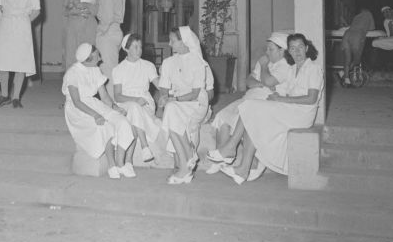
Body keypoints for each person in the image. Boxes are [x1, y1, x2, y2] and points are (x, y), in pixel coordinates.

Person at [216, 33, 324, 185]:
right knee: (253, 114)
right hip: (289, 109)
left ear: (306, 48)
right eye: (293, 48)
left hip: (302, 114)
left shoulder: (313, 69)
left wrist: (281, 99)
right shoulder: (293, 69)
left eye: (300, 47)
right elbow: (287, 91)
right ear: (289, 51)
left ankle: (231, 148)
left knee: (251, 107)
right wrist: (276, 94)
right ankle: (243, 169)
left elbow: (311, 98)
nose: (297, 52)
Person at [206, 32, 291, 175]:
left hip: (265, 102)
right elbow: (249, 81)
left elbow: (268, 81)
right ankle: (221, 160)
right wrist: (261, 83)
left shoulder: (286, 65)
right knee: (223, 115)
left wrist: (264, 67)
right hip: (249, 97)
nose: (267, 52)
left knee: (246, 118)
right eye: (267, 48)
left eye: (271, 49)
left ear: (282, 50)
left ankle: (251, 163)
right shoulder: (264, 60)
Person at [62, 43, 134, 179]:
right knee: (105, 126)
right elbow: (76, 101)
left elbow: (104, 96)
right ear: (87, 60)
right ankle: (112, 165)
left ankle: (120, 163)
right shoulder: (72, 73)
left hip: (93, 104)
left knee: (122, 121)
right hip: (78, 110)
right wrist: (96, 115)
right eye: (97, 57)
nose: (100, 58)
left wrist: (115, 107)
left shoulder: (95, 69)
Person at [159, 26, 211, 185]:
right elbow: (164, 87)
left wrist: (173, 99)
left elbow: (195, 94)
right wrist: (164, 97)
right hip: (177, 103)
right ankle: (185, 164)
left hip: (196, 103)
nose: (169, 44)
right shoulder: (168, 62)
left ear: (184, 42)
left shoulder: (197, 62)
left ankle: (185, 161)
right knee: (170, 110)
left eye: (173, 40)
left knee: (171, 110)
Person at [0, 0, 41, 108]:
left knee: (21, 62)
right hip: (6, 25)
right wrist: (10, 21)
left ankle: (16, 97)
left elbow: (36, 10)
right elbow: (0, 7)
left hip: (22, 26)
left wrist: (24, 23)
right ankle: (4, 95)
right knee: (3, 61)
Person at [112, 34, 161, 170]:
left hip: (145, 102)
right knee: (133, 108)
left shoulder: (148, 66)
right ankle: (142, 150)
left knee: (134, 113)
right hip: (126, 102)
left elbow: (160, 85)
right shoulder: (118, 69)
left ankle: (129, 160)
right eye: (135, 47)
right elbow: (117, 96)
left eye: (140, 46)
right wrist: (135, 100)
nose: (139, 50)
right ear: (126, 49)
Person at [63, 0, 101, 70]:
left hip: (87, 25)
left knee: (88, 57)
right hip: (72, 26)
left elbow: (99, 9)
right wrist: (69, 7)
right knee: (70, 59)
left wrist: (86, 7)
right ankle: (71, 81)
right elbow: (64, 10)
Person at [96, 0, 125, 99]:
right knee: (113, 68)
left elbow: (106, 18)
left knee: (107, 71)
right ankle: (112, 101)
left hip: (107, 33)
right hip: (117, 31)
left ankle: (110, 103)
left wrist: (101, 33)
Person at [338, 2, 374, 87]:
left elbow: (352, 26)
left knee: (347, 59)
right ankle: (344, 73)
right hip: (357, 36)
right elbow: (372, 28)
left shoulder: (356, 16)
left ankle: (346, 78)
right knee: (356, 60)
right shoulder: (369, 14)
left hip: (347, 34)